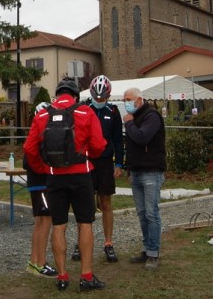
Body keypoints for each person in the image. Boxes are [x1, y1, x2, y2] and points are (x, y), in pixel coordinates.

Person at [23, 78, 107, 292]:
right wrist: (88, 154)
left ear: (57, 94)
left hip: (54, 177)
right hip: (81, 176)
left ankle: (62, 276)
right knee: (85, 224)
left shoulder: (42, 115)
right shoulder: (85, 112)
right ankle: (86, 276)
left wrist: (43, 167)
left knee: (58, 226)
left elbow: (30, 148)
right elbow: (98, 145)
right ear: (75, 95)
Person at [71, 75, 124, 263]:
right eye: (96, 97)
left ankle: (108, 243)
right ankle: (80, 243)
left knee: (106, 202)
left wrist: (119, 163)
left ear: (108, 96)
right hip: (87, 161)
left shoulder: (113, 111)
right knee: (84, 204)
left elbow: (118, 139)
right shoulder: (84, 108)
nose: (99, 100)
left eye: (103, 97)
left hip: (105, 162)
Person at [123, 87, 166, 270]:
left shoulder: (151, 116)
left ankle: (153, 252)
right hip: (136, 171)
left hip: (151, 171)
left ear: (139, 100)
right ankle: (147, 248)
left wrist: (129, 124)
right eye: (124, 100)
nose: (126, 103)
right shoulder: (133, 118)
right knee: (142, 214)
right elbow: (131, 146)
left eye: (128, 99)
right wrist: (129, 169)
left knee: (151, 213)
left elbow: (142, 138)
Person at [24, 102, 58, 278]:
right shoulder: (40, 134)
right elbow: (28, 159)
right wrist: (43, 168)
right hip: (41, 182)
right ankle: (41, 263)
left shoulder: (36, 132)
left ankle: (33, 261)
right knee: (45, 221)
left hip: (37, 183)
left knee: (40, 222)